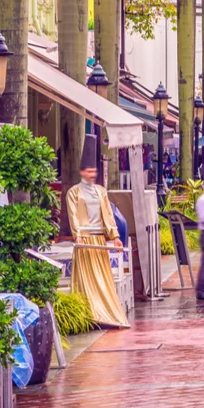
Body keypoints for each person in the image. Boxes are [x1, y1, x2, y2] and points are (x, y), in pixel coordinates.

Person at [65, 137, 130, 329]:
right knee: (86, 278)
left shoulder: (102, 192)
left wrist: (116, 237)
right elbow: (73, 215)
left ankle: (105, 312)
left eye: (93, 171)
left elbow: (109, 216)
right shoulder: (73, 192)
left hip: (99, 240)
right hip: (85, 240)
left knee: (102, 279)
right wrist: (77, 234)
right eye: (88, 171)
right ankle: (89, 314)